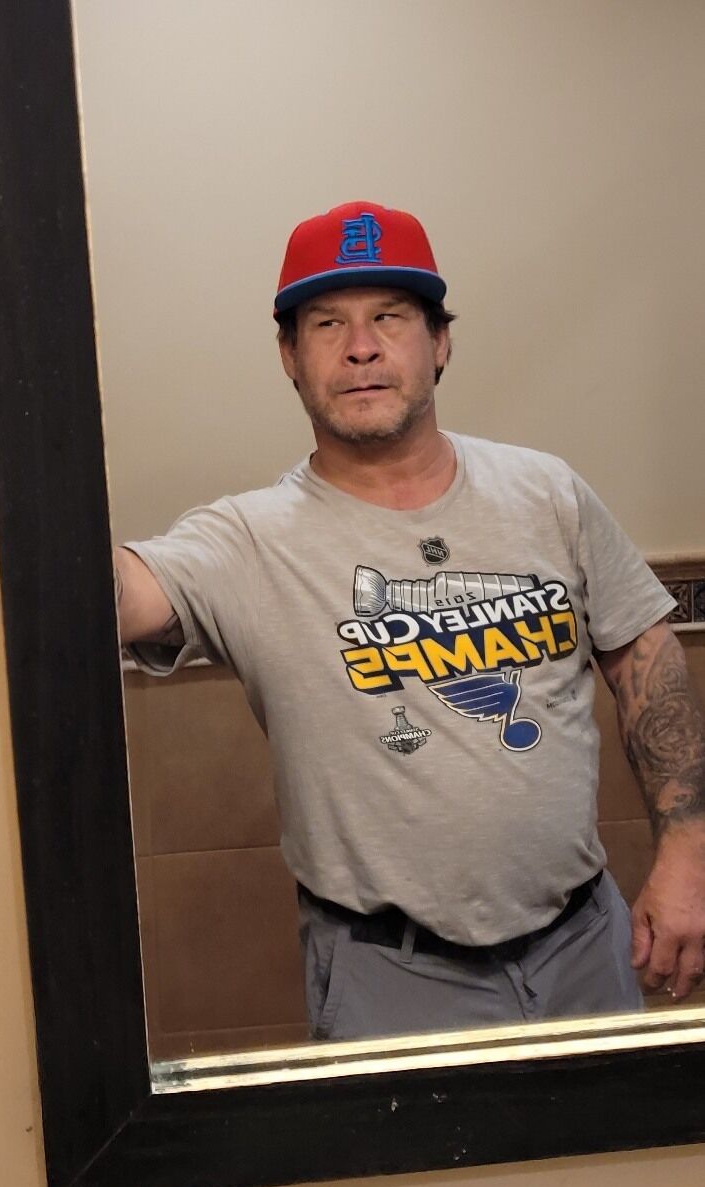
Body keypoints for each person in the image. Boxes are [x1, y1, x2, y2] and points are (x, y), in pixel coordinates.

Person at [114, 201, 705, 1040]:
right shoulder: (246, 539)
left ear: (440, 341)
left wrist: (688, 851)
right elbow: (118, 597)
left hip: (583, 946)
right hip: (387, 978)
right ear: (289, 355)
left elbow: (642, 647)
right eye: (328, 323)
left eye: (389, 317)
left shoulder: (547, 493)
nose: (361, 347)